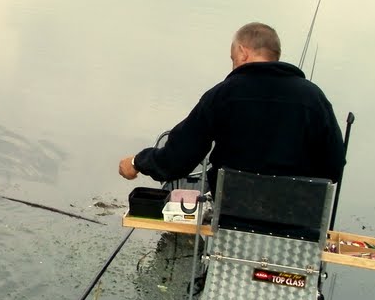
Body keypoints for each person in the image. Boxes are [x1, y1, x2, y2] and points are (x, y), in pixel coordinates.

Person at [118, 22, 345, 192]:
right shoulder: (314, 97)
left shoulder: (223, 95)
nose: (233, 65)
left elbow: (178, 159)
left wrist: (138, 162)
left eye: (233, 58)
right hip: (297, 223)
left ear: (243, 52)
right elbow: (333, 167)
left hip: (231, 218)